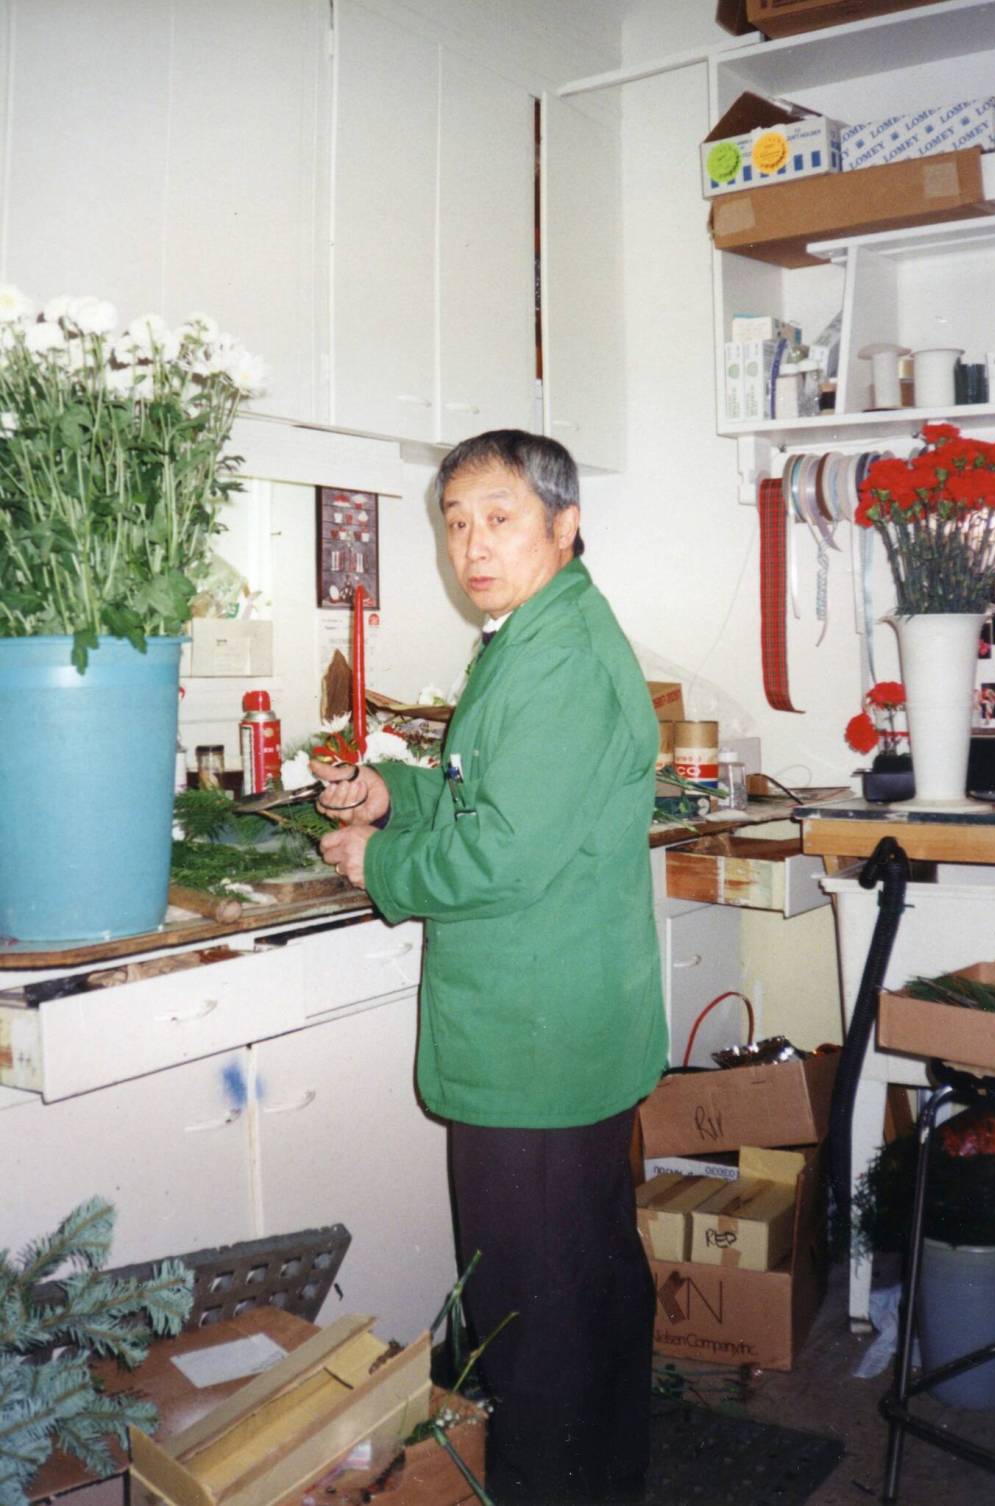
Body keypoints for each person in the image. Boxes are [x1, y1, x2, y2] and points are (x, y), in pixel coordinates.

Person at [312, 430, 666, 1506]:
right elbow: (492, 797)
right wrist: (395, 795)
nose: (472, 544)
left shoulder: (550, 655)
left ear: (563, 523)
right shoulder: (535, 632)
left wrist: (383, 860)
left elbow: (502, 856)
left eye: (500, 517)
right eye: (456, 522)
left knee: (532, 1324)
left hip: (534, 1043)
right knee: (588, 1293)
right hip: (568, 1033)